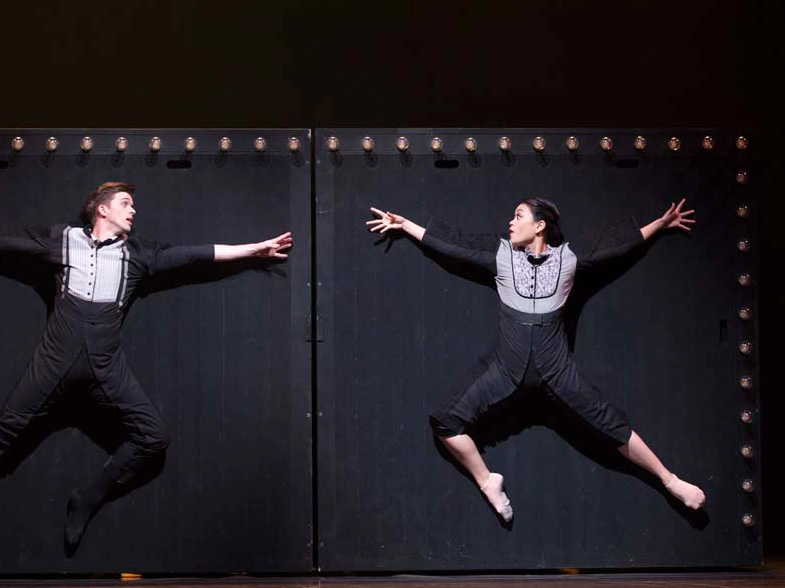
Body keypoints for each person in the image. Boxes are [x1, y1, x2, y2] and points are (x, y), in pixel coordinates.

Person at [366, 197, 705, 524]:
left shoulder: (569, 258)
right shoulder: (500, 255)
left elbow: (614, 246)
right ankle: (487, 482)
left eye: (518, 215)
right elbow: (455, 244)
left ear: (540, 225)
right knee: (445, 422)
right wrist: (405, 224)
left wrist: (660, 225)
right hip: (505, 369)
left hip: (557, 371)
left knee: (611, 423)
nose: (510, 222)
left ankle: (670, 480)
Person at [0, 181, 292, 553]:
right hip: (53, 363)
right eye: (125, 203)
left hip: (104, 369)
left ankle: (88, 498)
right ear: (101, 210)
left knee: (153, 437)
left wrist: (255, 249)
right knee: (5, 430)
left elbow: (196, 255)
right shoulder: (62, 239)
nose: (133, 210)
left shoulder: (138, 254)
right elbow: (9, 243)